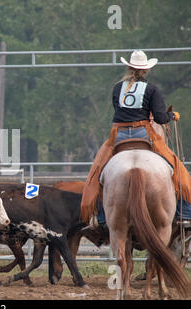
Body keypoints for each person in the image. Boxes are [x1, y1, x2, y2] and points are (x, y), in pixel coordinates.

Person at [81, 50, 191, 228]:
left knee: (98, 171)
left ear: (129, 67)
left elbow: (118, 110)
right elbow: (161, 118)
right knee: (178, 170)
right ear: (146, 70)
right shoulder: (152, 89)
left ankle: (100, 216)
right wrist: (172, 116)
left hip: (118, 135)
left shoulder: (118, 88)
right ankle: (185, 213)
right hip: (143, 133)